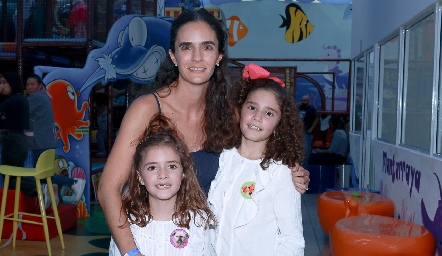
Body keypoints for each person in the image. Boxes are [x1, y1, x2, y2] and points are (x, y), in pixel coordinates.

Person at [98, 8, 310, 256]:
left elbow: (259, 155)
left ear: (219, 56)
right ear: (173, 55)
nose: (197, 57)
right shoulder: (147, 110)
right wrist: (131, 252)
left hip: (200, 245)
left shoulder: (229, 112)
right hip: (147, 242)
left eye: (207, 47)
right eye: (187, 47)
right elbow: (108, 189)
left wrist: (292, 172)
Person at [208, 64, 305, 255]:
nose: (257, 117)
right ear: (239, 109)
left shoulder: (281, 172)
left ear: (280, 123)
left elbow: (292, 242)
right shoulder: (222, 158)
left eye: (269, 113)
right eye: (252, 107)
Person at [108, 115, 215, 255]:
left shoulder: (200, 222)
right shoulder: (127, 225)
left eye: (171, 166)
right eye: (152, 168)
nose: (163, 174)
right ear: (140, 177)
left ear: (183, 173)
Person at [25, 74, 83, 206]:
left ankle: (72, 182)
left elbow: (24, 113)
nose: (29, 87)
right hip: (46, 140)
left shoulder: (35, 97)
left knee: (40, 173)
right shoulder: (44, 96)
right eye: (27, 84)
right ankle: (51, 192)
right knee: (44, 173)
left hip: (40, 141)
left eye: (32, 84)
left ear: (40, 86)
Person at [0, 72, 29, 168]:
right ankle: (49, 184)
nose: (1, 86)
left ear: (12, 83)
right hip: (19, 140)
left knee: (10, 178)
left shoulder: (14, 100)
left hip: (12, 140)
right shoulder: (19, 98)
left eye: (4, 83)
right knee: (16, 177)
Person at [299, 95, 319, 167]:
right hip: (299, 132)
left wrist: (311, 128)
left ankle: (305, 166)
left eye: (305, 100)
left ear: (308, 101)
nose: (303, 102)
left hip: (307, 132)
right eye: (302, 100)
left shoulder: (312, 109)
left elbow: (316, 119)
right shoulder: (299, 108)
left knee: (306, 150)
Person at [93, 92, 108, 158]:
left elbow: (97, 114)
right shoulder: (100, 106)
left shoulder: (102, 107)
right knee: (100, 136)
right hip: (103, 126)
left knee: (100, 136)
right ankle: (102, 151)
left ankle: (102, 151)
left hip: (104, 126)